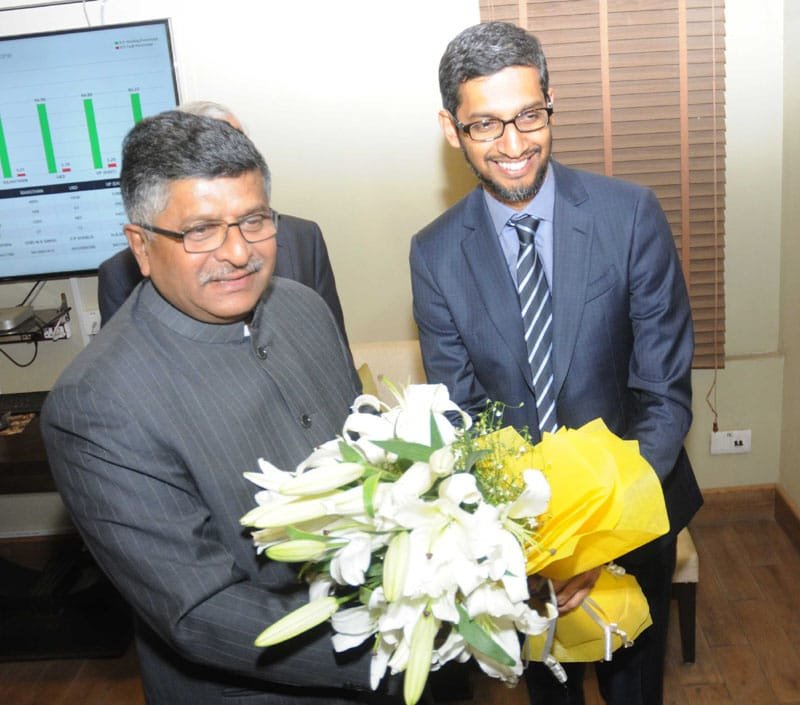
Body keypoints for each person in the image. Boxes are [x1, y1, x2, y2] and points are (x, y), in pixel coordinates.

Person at [41, 111, 395, 705]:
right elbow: (202, 613)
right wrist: (409, 642)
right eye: (201, 230)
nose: (238, 252)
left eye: (254, 220)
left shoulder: (304, 308)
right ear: (142, 247)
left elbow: (365, 466)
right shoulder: (95, 406)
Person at [409, 21, 703, 705]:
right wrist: (532, 540)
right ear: (452, 129)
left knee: (635, 689)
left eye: (529, 116)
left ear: (549, 103)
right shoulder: (434, 253)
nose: (513, 145)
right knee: (551, 690)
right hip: (520, 536)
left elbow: (662, 393)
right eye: (485, 125)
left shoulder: (629, 215)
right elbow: (463, 412)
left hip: (633, 509)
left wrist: (595, 535)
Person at [97, 101, 348, 343]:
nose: (238, 254)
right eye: (201, 229)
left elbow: (335, 352)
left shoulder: (303, 243)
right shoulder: (120, 276)